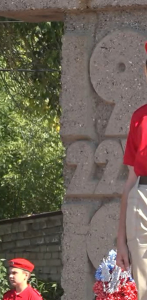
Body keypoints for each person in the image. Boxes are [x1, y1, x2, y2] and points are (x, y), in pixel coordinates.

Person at [116, 44, 147, 300]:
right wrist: (120, 241)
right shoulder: (139, 118)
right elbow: (129, 180)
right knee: (143, 286)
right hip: (142, 198)